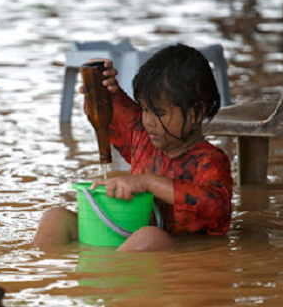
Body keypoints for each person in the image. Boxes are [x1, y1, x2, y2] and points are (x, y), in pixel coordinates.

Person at [33, 44, 233, 252]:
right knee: (55, 218)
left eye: (159, 113)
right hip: (128, 237)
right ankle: (44, 271)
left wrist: (148, 182)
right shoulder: (143, 139)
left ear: (196, 113)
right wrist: (102, 87)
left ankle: (113, 276)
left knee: (151, 236)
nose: (149, 121)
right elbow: (114, 112)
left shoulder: (210, 161)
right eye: (145, 109)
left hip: (179, 250)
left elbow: (217, 206)